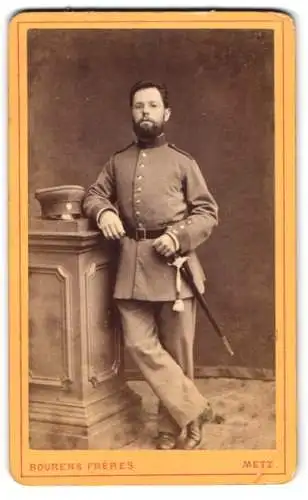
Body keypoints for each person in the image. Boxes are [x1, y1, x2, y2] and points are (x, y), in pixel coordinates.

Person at [83, 80, 219, 450]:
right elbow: (93, 195)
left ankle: (174, 427)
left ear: (166, 114)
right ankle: (193, 411)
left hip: (175, 268)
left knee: (177, 352)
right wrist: (105, 211)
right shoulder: (118, 161)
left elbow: (207, 212)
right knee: (141, 345)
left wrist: (178, 236)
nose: (145, 112)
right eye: (139, 106)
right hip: (130, 268)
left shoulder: (183, 162)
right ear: (132, 113)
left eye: (153, 106)